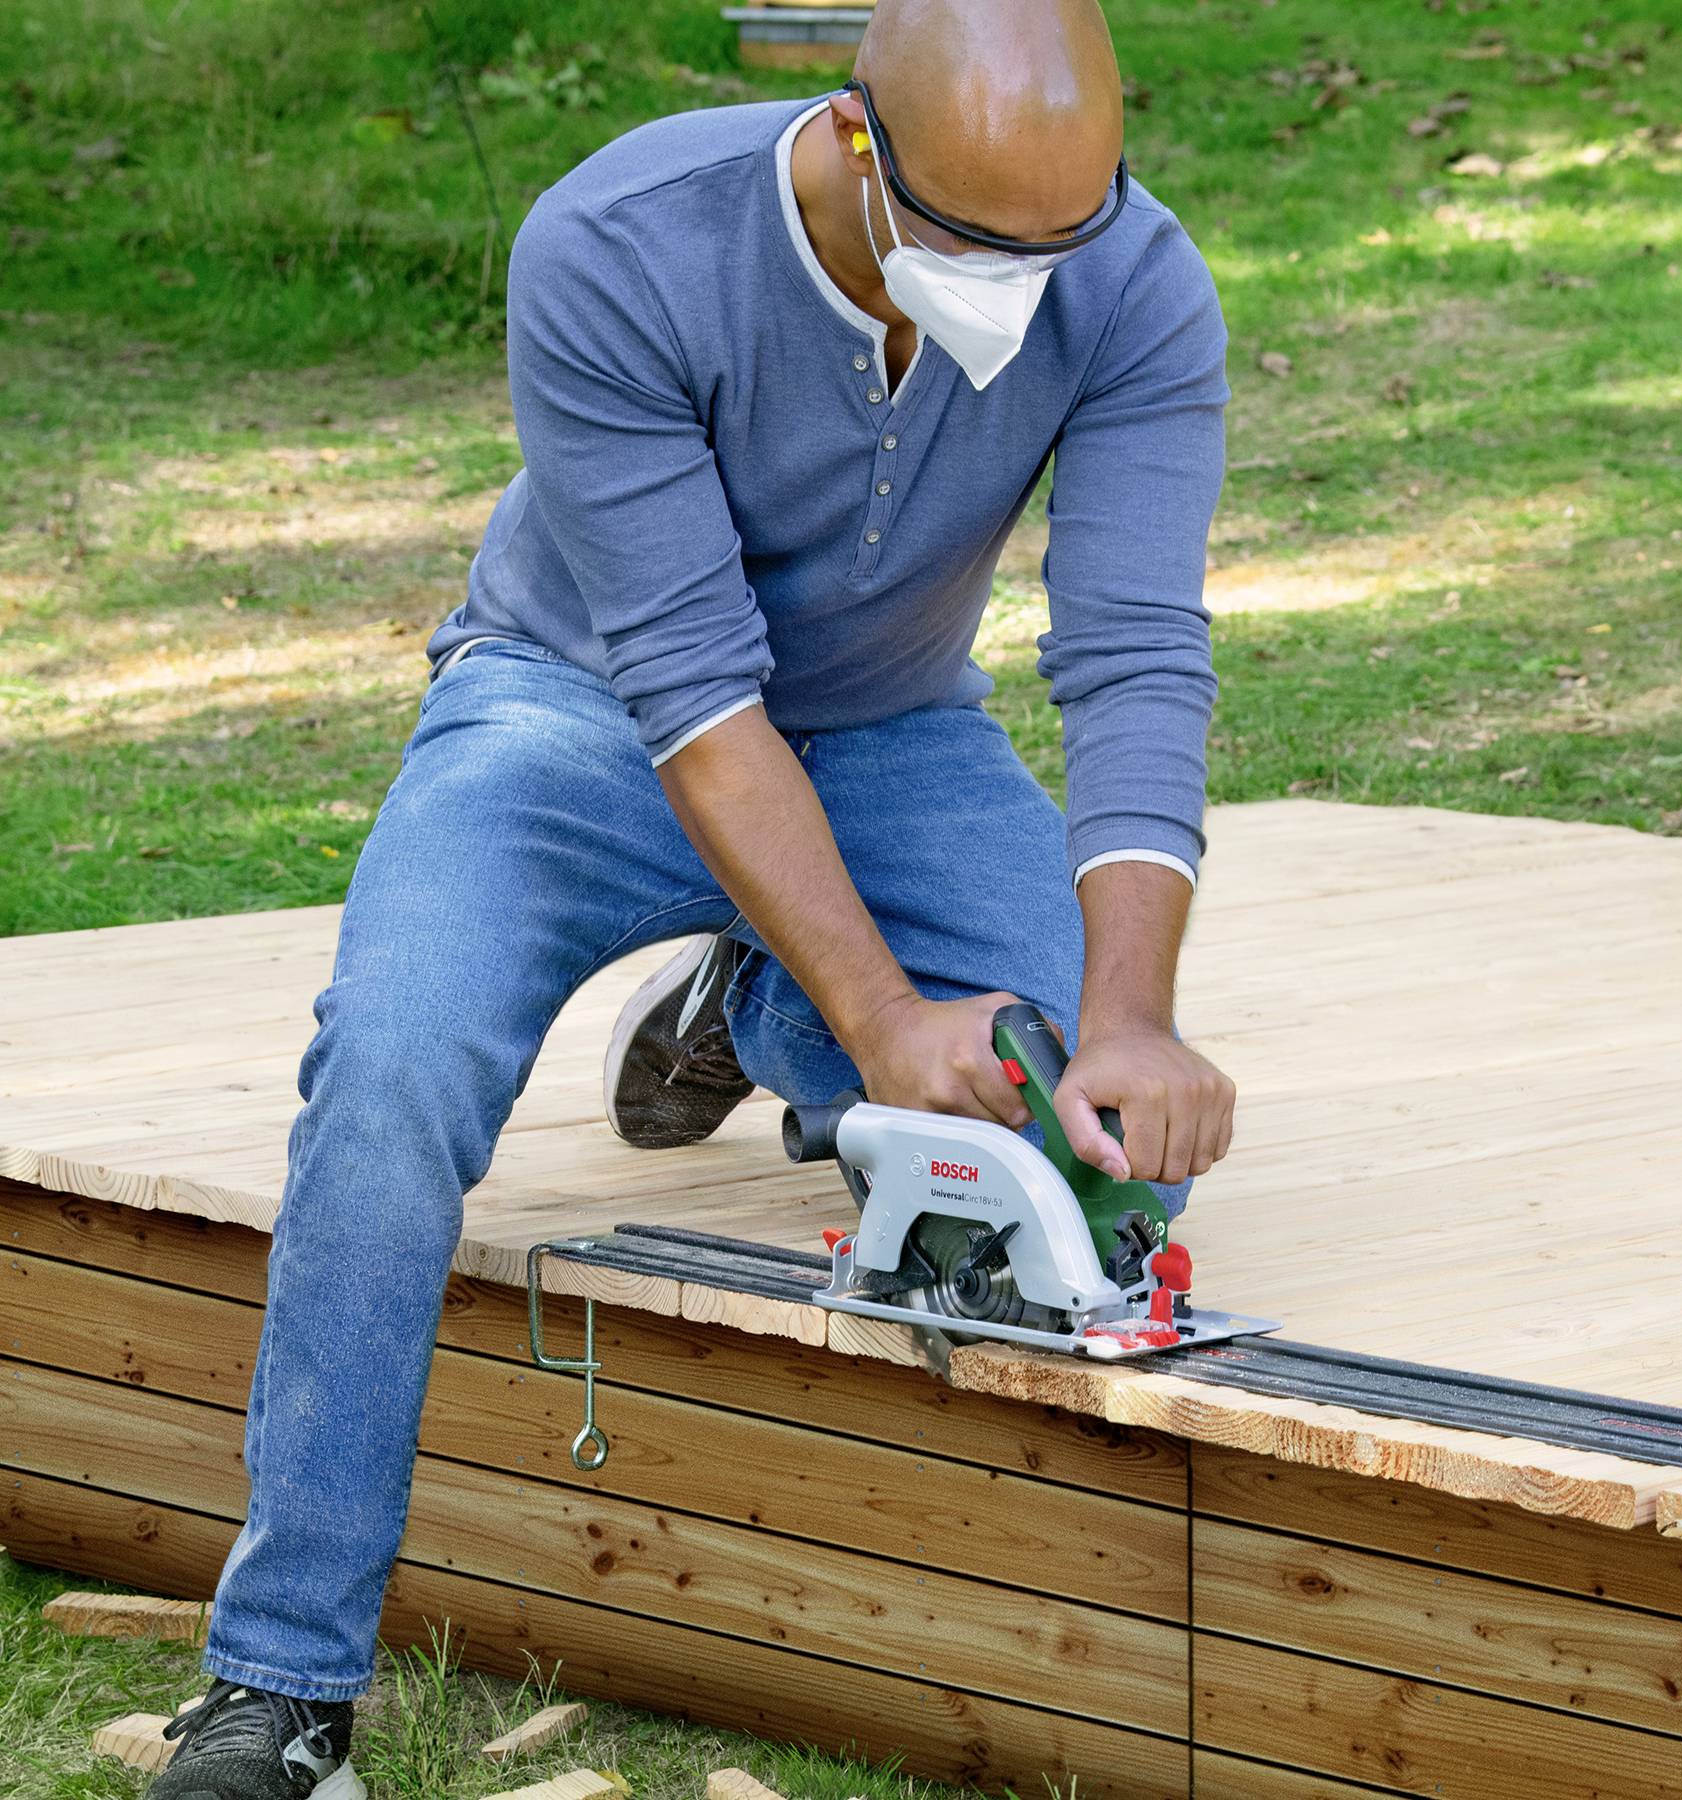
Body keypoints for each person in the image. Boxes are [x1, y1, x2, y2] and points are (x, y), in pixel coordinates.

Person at [141, 1, 1234, 1793]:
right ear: (860, 144)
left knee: (1065, 1100)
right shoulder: (616, 241)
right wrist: (883, 1021)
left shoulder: (1137, 276)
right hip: (575, 704)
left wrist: (1128, 1019)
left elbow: (1133, 651)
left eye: (1071, 238)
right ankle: (279, 1688)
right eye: (980, 246)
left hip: (885, 725)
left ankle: (761, 999)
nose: (1029, 288)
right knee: (396, 1072)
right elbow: (690, 686)